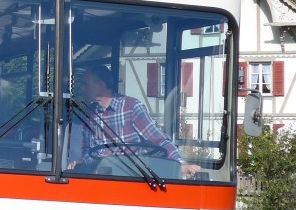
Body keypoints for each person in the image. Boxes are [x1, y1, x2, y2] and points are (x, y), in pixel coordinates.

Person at [70, 65, 200, 177]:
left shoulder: (130, 107)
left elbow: (159, 140)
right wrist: (80, 163)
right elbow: (87, 152)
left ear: (101, 85)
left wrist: (180, 165)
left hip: (130, 178)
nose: (82, 89)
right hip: (99, 180)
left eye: (86, 84)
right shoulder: (89, 114)